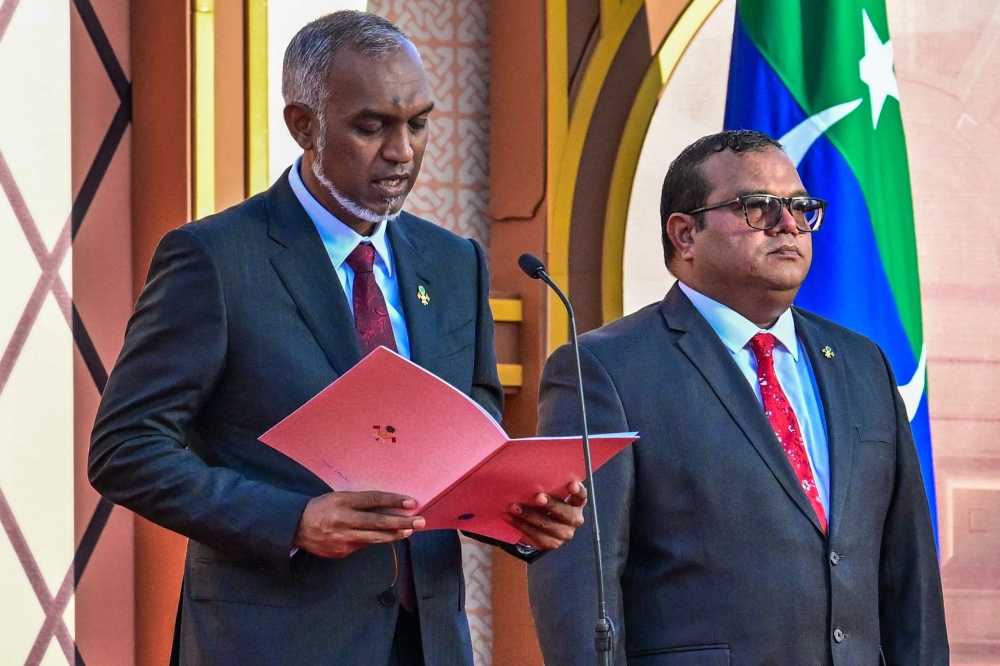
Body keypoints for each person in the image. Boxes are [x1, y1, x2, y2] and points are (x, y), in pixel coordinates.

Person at [89, 11, 585, 666]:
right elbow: (125, 448)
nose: (403, 151)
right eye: (372, 126)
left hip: (429, 644)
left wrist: (520, 512)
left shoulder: (454, 262)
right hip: (272, 643)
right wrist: (292, 522)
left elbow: (471, 438)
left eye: (418, 123)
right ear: (304, 126)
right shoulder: (214, 259)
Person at [527, 130, 948, 666]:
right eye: (758, 207)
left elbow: (909, 574)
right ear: (685, 234)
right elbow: (581, 586)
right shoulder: (606, 370)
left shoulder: (862, 363)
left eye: (801, 208)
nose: (788, 224)